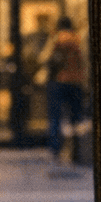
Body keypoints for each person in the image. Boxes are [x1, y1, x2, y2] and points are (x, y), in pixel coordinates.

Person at [43, 15, 88, 164]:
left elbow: (44, 57)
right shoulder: (78, 39)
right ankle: (77, 151)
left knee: (56, 117)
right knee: (75, 118)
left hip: (59, 80)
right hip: (76, 81)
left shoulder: (56, 39)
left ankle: (56, 150)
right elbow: (85, 60)